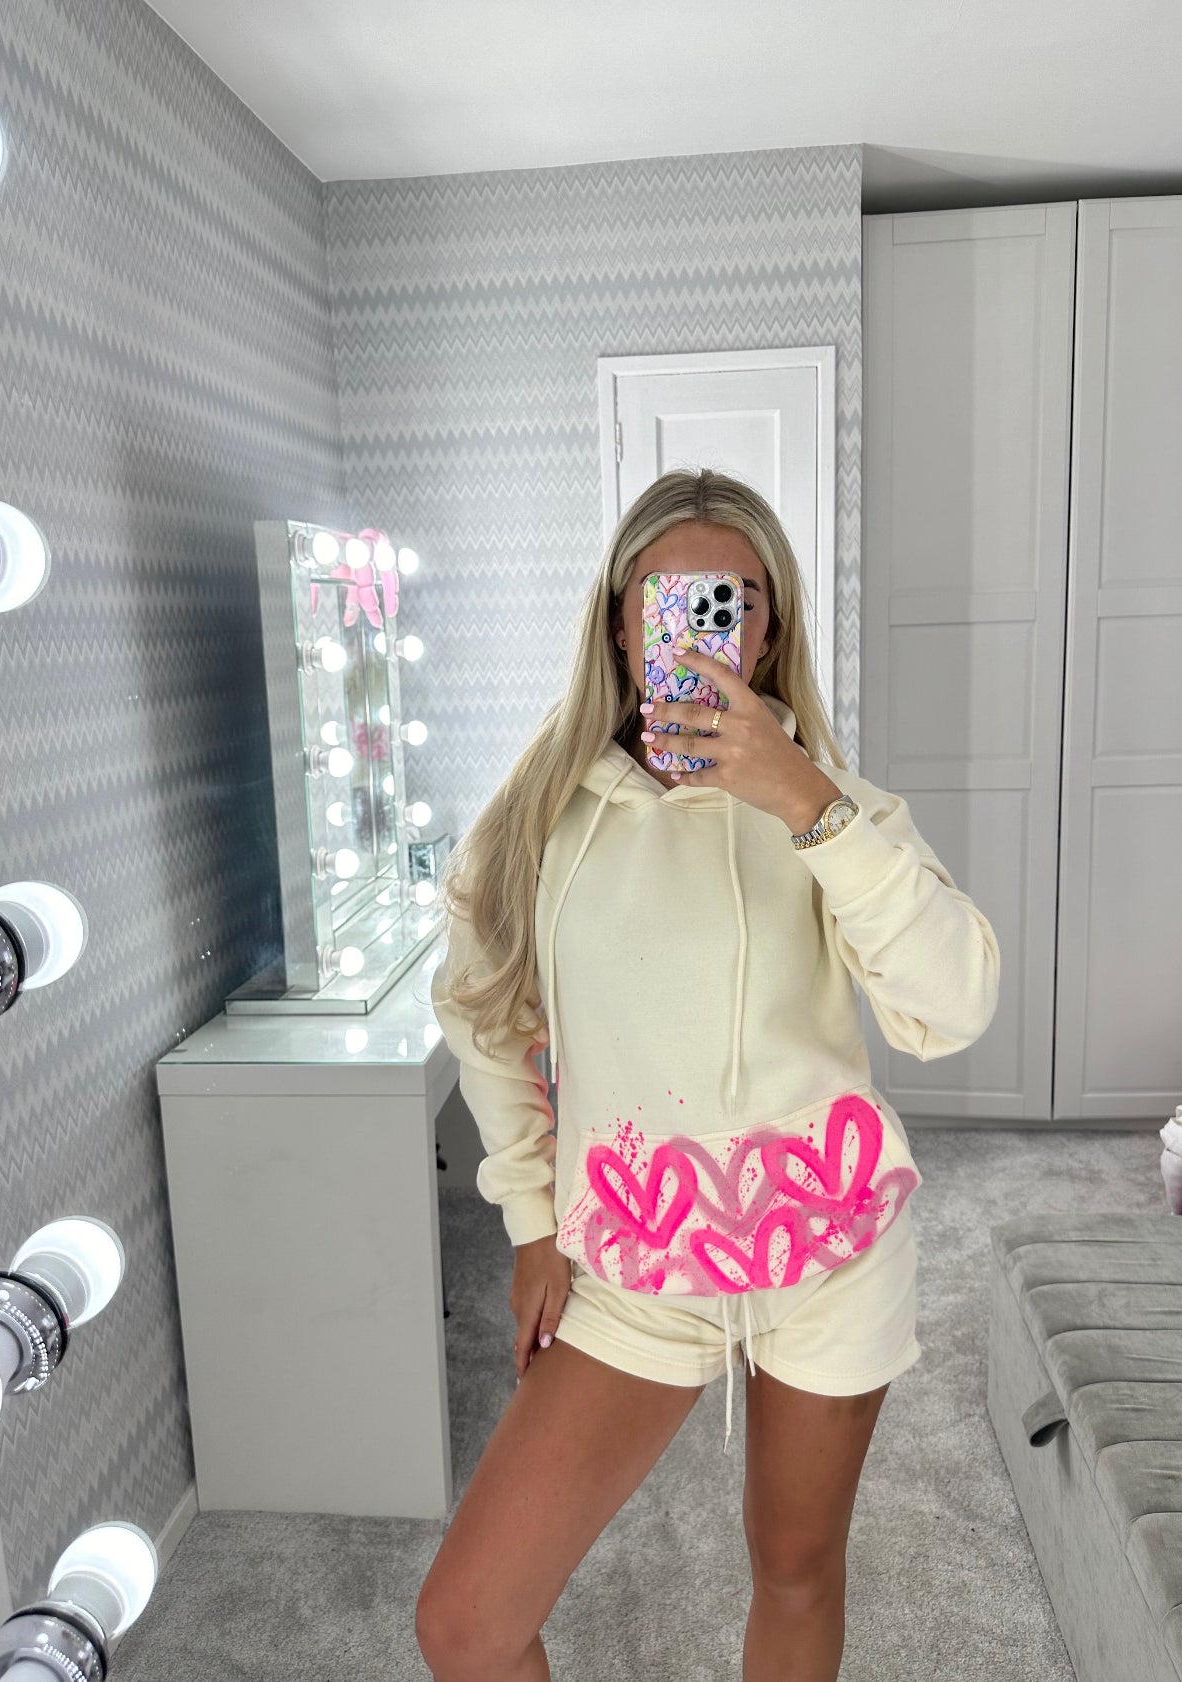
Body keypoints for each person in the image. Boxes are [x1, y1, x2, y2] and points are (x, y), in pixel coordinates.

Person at [417, 467, 1000, 1682]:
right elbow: (485, 1015)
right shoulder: (536, 819)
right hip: (636, 1258)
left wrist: (803, 799)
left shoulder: (837, 809)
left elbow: (953, 1007)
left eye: (729, 600)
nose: (693, 628)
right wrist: (532, 1218)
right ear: (620, 621)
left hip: (831, 1250)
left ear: (767, 629)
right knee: (466, 1623)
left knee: (794, 1567)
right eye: (664, 598)